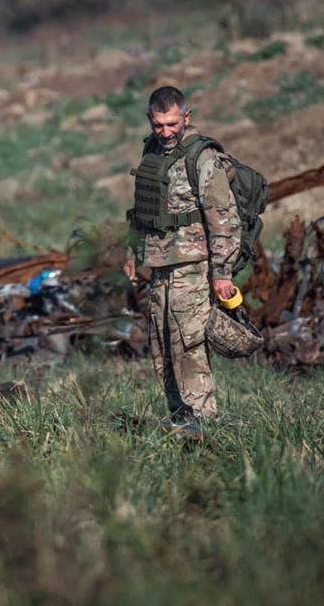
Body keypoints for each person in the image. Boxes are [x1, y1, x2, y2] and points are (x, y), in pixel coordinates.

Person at [124, 86, 240, 428]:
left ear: (186, 118)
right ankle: (180, 419)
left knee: (189, 346)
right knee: (161, 345)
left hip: (194, 266)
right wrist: (133, 251)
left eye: (173, 124)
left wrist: (222, 272)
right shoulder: (152, 151)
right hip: (160, 265)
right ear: (150, 120)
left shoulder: (201, 158)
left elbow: (224, 218)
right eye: (158, 125)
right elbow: (143, 210)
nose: (166, 132)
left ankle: (205, 422)